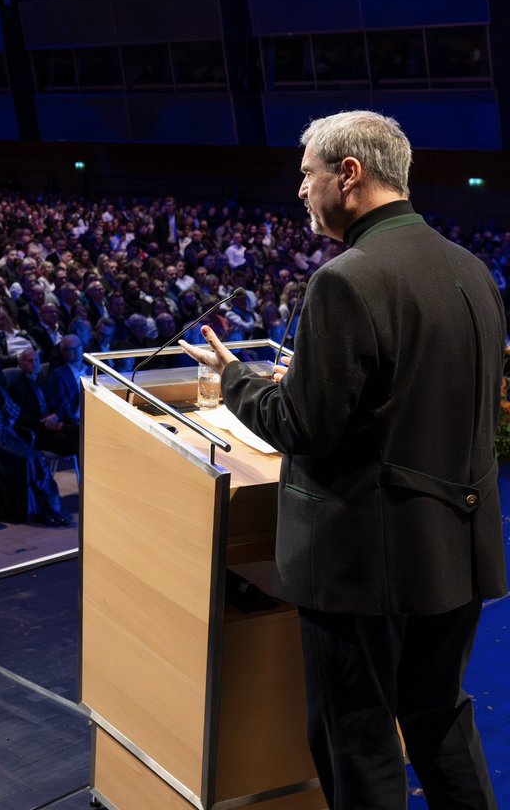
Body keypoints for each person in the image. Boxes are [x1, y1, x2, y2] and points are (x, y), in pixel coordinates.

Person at [182, 110, 505, 810]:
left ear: (348, 175)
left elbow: (303, 425)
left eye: (307, 174)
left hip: (367, 562)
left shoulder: (345, 281)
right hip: (456, 550)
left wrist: (235, 376)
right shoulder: (472, 269)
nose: (301, 191)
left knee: (357, 736)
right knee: (438, 719)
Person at [0, 358, 68, 527]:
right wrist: (5, 421)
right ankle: (33, 510)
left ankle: (49, 509)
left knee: (37, 460)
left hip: (8, 439)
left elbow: (15, 413)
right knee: (26, 462)